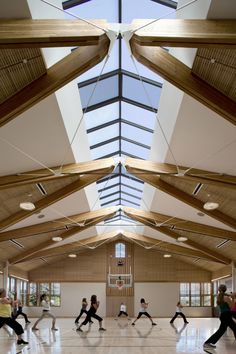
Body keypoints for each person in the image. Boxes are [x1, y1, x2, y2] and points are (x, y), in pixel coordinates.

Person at [203, 284, 236, 349]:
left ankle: (207, 343)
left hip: (224, 315)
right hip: (226, 315)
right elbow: (232, 307)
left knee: (232, 328)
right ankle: (207, 343)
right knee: (221, 330)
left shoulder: (219, 296)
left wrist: (231, 296)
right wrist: (233, 298)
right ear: (225, 289)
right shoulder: (226, 297)